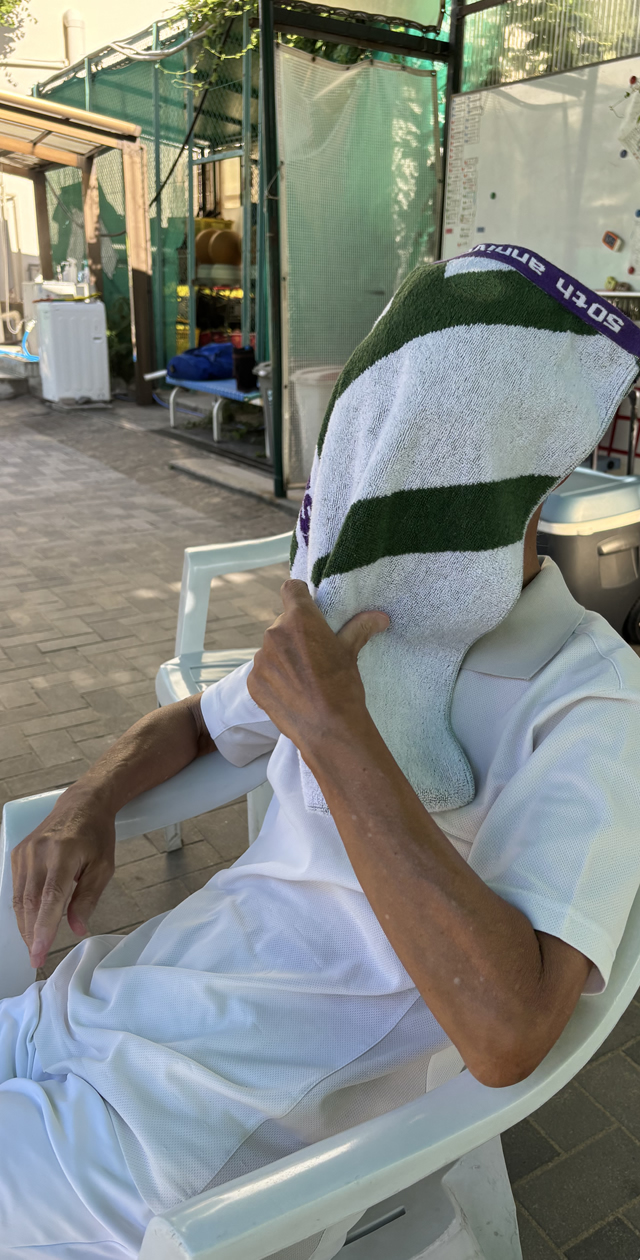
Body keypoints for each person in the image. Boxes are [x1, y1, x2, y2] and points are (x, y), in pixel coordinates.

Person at [3, 246, 640, 1258]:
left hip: (176, 1141)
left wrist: (339, 734)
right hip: (89, 1007)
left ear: (536, 464)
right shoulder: (361, 618)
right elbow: (197, 723)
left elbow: (511, 1032)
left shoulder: (590, 699)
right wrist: (88, 800)